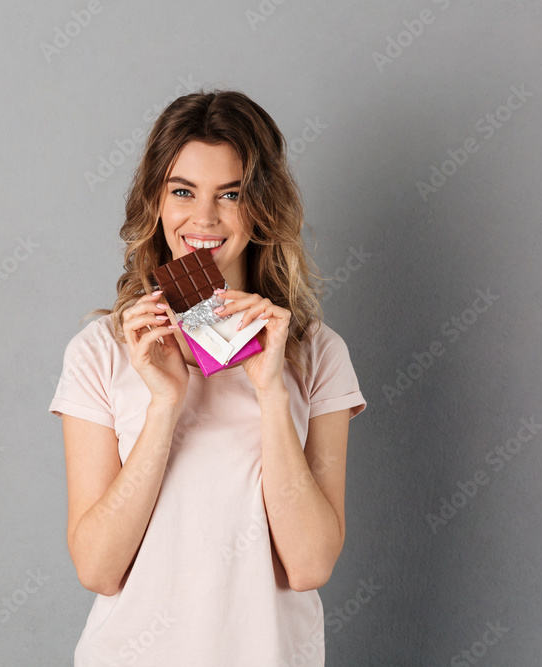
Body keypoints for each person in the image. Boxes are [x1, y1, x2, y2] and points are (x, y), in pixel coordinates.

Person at [49, 88, 366, 666]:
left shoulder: (317, 354)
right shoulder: (101, 352)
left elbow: (311, 565)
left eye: (232, 194)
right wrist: (165, 405)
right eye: (183, 192)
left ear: (263, 208)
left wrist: (271, 392)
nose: (205, 218)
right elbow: (96, 568)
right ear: (156, 203)